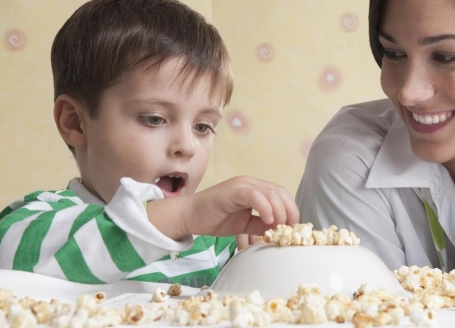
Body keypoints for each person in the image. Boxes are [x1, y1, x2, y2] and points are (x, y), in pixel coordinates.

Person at [0, 0, 299, 287]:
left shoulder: (217, 244)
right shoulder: (36, 223)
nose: (187, 146)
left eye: (203, 126)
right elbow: (10, 255)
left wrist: (260, 261)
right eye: (154, 119)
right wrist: (184, 216)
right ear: (75, 123)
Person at [296, 0, 455, 272]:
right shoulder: (352, 158)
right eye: (393, 53)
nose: (408, 93)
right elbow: (369, 309)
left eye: (445, 57)